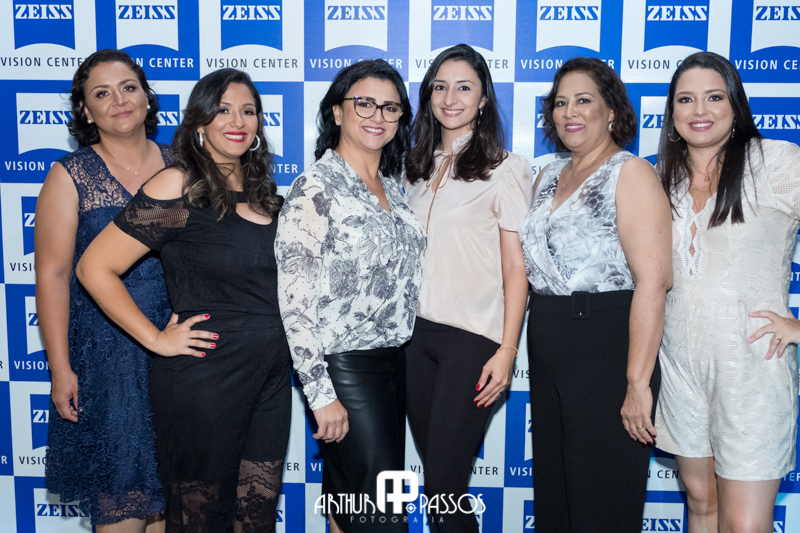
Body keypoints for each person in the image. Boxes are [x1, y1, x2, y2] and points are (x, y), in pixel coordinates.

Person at [76, 68, 289, 533]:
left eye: (248, 111)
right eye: (223, 110)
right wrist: (156, 339)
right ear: (199, 123)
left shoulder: (265, 193)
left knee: (256, 521)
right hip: (206, 379)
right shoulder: (178, 185)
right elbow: (94, 267)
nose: (237, 121)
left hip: (271, 378)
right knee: (200, 522)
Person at [519, 57, 672, 532]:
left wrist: (636, 382)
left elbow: (654, 281)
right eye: (560, 103)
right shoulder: (546, 176)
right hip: (549, 343)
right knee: (556, 499)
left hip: (606, 346)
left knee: (602, 501)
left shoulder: (631, 173)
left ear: (612, 111)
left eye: (584, 100)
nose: (570, 112)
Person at [275, 59, 425, 533]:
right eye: (364, 103)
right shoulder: (315, 187)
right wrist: (320, 393)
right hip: (345, 367)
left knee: (350, 502)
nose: (377, 115)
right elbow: (294, 301)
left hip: (394, 362)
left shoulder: (393, 189)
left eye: (390, 107)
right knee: (384, 513)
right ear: (337, 112)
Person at [655, 51, 800, 533]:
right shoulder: (660, 179)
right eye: (686, 99)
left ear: (735, 105)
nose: (700, 110)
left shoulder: (776, 161)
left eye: (714, 97)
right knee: (701, 503)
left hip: (752, 366)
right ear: (672, 114)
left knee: (744, 524)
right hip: (679, 366)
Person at [37, 49, 173, 533]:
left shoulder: (185, 164)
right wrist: (60, 369)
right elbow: (53, 275)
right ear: (86, 111)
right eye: (102, 93)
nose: (119, 100)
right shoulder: (69, 175)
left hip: (179, 353)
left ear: (147, 97)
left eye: (128, 87)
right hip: (106, 360)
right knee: (122, 504)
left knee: (174, 503)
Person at [402, 44, 532, 533]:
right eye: (440, 87)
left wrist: (507, 350)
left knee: (443, 485)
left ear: (483, 99)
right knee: (441, 488)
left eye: (464, 87)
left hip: (472, 340)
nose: (450, 98)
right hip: (413, 341)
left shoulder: (505, 167)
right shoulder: (412, 169)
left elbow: (516, 268)